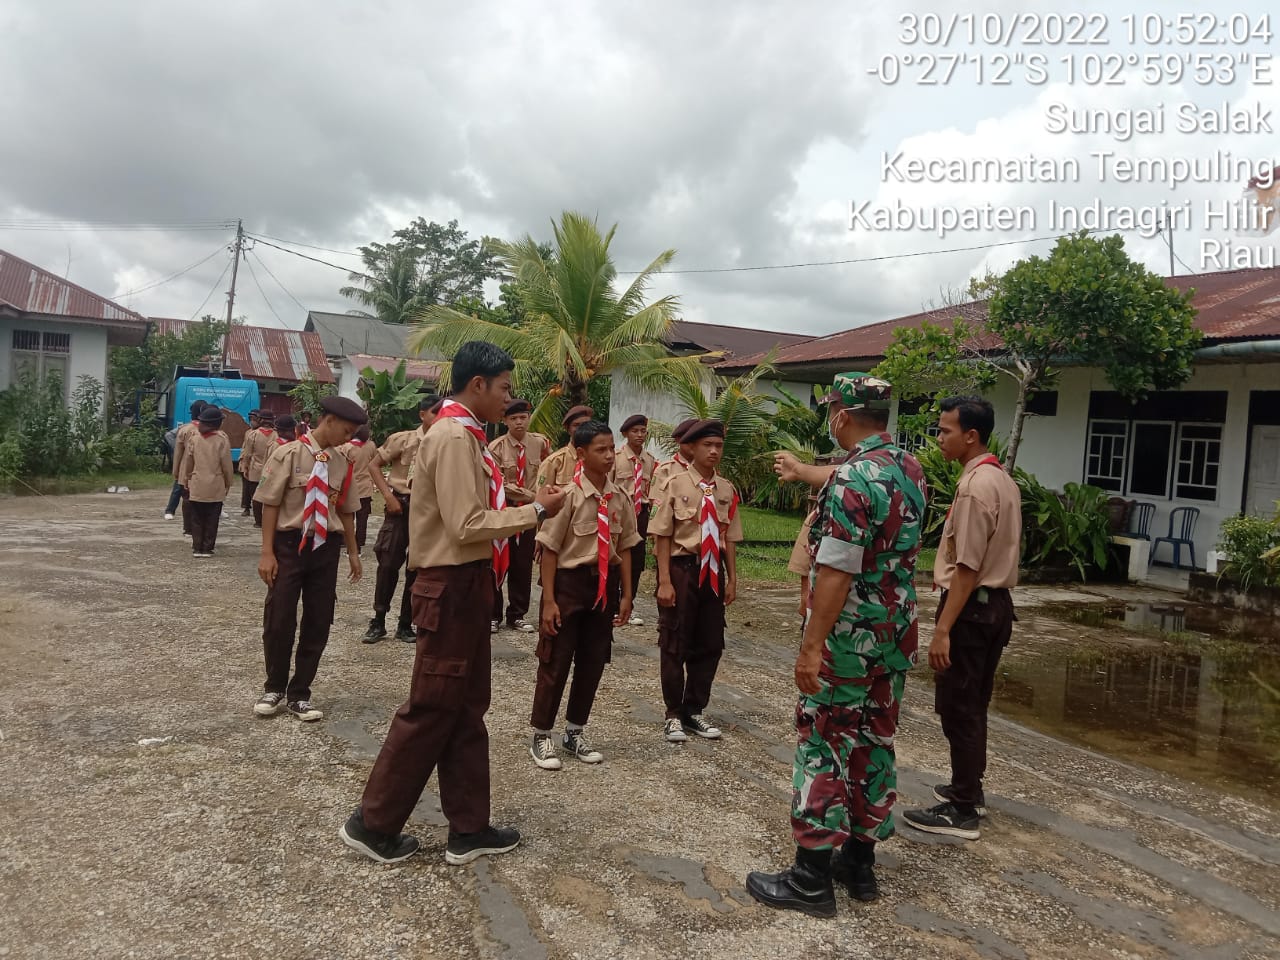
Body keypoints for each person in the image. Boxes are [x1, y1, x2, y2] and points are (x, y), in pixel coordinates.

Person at [340, 340, 567, 867]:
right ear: (478, 385)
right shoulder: (452, 437)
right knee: (432, 705)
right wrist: (534, 510)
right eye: (505, 388)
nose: (509, 399)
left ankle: (468, 827)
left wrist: (521, 501)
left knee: (466, 707)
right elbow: (466, 525)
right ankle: (373, 823)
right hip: (450, 582)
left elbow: (468, 506)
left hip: (466, 584)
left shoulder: (465, 436)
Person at [746, 373, 926, 917]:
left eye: (831, 411)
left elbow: (835, 572)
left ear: (841, 416)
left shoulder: (850, 480)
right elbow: (856, 481)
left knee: (823, 740)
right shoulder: (909, 468)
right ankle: (859, 863)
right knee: (875, 739)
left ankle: (810, 877)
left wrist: (811, 647)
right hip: (894, 634)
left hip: (848, 639)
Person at [902, 395, 1020, 842]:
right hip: (994, 606)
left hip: (972, 607)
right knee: (973, 702)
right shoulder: (999, 478)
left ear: (971, 436)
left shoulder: (975, 487)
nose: (938, 438)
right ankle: (966, 787)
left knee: (960, 706)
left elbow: (967, 567)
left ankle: (962, 808)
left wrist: (943, 629)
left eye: (945, 430)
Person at [529, 420, 638, 770]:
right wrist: (548, 600)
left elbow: (627, 547)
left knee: (592, 662)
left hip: (603, 587)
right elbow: (548, 548)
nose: (609, 456)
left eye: (611, 449)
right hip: (569, 585)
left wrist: (626, 595)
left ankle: (575, 730)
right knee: (556, 660)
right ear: (581, 453)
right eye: (600, 450)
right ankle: (541, 733)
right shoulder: (567, 497)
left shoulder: (619, 497)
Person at [252, 396, 367, 722]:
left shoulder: (342, 462)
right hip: (290, 545)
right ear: (328, 420)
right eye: (346, 430)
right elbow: (270, 504)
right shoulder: (288, 453)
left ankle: (300, 693)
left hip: (325, 549)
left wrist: (354, 553)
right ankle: (274, 687)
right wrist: (267, 552)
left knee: (318, 620)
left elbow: (345, 511)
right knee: (280, 617)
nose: (349, 437)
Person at [649, 419, 743, 743]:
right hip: (683, 568)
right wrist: (664, 581)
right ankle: (673, 713)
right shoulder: (673, 484)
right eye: (708, 445)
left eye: (718, 446)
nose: (714, 451)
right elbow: (662, 536)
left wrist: (732, 579)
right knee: (675, 641)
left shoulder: (727, 489)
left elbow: (729, 536)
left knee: (710, 641)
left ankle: (694, 710)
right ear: (692, 447)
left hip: (713, 571)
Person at [362, 397, 440, 644]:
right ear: (422, 414)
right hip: (400, 506)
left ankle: (406, 623)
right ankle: (378, 620)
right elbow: (374, 465)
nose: (439, 418)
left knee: (415, 568)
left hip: (427, 510)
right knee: (387, 564)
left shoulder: (444, 444)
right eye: (434, 413)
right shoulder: (403, 439)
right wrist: (387, 496)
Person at [489, 398, 552, 633]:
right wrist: (530, 494)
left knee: (523, 564)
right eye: (513, 418)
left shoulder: (540, 444)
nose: (518, 423)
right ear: (505, 421)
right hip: (506, 512)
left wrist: (541, 496)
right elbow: (498, 483)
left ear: (528, 418)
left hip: (532, 514)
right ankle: (493, 614)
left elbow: (548, 471)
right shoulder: (496, 448)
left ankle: (517, 614)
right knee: (499, 560)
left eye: (522, 418)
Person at [612, 413, 656, 626]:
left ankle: (628, 603)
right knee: (616, 556)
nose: (639, 435)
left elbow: (649, 489)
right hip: (619, 513)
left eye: (642, 431)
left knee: (636, 561)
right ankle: (612, 606)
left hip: (641, 514)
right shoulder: (616, 457)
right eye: (634, 431)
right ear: (625, 434)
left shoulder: (649, 460)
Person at [179, 405, 235, 557]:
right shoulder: (221, 440)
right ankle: (207, 548)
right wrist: (228, 482)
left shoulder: (194, 439)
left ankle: (197, 548)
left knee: (196, 517)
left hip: (197, 483)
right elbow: (226, 465)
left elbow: (188, 461)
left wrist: (186, 478)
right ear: (217, 424)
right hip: (215, 485)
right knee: (212, 518)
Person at [165, 400, 205, 520]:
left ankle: (218, 510)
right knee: (179, 486)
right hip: (186, 462)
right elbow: (169, 436)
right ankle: (170, 510)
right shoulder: (186, 428)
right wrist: (179, 449)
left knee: (207, 487)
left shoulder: (208, 429)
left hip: (202, 463)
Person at [537, 405, 595, 488]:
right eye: (576, 425)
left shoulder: (599, 458)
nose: (582, 429)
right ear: (568, 429)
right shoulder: (554, 462)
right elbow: (542, 497)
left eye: (586, 424)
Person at [341, 423, 378, 555]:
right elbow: (376, 462)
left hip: (349, 488)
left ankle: (347, 544)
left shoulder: (346, 447)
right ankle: (358, 546)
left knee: (348, 518)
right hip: (365, 488)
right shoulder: (371, 446)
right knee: (363, 519)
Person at [648, 418, 697, 510]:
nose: (693, 444)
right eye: (689, 440)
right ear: (678, 440)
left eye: (698, 440)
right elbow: (656, 503)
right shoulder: (665, 470)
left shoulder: (706, 470)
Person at [245, 411, 277, 528]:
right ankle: (268, 520)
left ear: (260, 420)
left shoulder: (253, 435)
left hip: (255, 469)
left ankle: (258, 521)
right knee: (269, 496)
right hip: (271, 470)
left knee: (256, 496)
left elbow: (248, 454)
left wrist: (245, 467)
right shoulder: (276, 435)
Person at [238, 410, 261, 516]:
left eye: (254, 419)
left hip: (257, 464)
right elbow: (244, 449)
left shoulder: (259, 434)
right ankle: (246, 506)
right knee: (246, 487)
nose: (252, 422)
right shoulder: (248, 432)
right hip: (247, 463)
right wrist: (242, 461)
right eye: (251, 419)